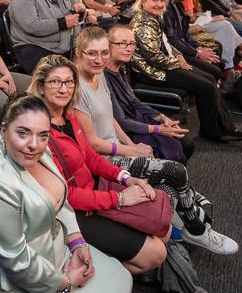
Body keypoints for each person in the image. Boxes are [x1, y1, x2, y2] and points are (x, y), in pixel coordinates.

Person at [0, 93, 132, 293]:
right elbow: (16, 260)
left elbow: (59, 196)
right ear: (3, 131)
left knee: (121, 278)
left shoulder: (38, 146)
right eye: (23, 133)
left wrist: (75, 239)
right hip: (8, 283)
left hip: (50, 250)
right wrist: (64, 282)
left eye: (43, 135)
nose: (34, 144)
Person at [69, 29, 238, 251]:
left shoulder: (99, 75)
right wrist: (131, 152)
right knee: (175, 171)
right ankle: (195, 228)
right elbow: (92, 143)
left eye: (103, 53)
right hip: (104, 160)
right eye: (92, 53)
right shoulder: (77, 89)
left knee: (167, 191)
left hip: (119, 149)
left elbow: (110, 119)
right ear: (79, 53)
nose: (99, 59)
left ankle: (181, 225)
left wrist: (132, 145)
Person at [28, 56, 168, 275]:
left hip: (94, 190)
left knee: (163, 228)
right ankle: (90, 275)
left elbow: (91, 157)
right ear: (41, 87)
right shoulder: (38, 133)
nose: (63, 89)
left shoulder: (68, 116)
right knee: (156, 252)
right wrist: (119, 199)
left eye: (69, 82)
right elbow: (64, 196)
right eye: (55, 82)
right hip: (73, 213)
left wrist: (125, 177)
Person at [130, 0, 242, 142]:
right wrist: (178, 62)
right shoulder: (143, 24)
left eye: (162, 0)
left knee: (208, 78)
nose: (159, 4)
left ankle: (224, 126)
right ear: (143, 1)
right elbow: (153, 58)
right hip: (151, 72)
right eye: (154, 0)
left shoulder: (152, 17)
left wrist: (179, 56)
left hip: (163, 64)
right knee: (206, 85)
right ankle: (213, 130)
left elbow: (167, 44)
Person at [105, 25, 194, 162]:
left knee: (186, 143)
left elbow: (134, 101)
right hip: (126, 130)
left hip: (136, 118)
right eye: (122, 43)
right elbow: (121, 122)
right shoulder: (103, 76)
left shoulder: (120, 68)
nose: (129, 48)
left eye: (132, 44)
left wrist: (162, 117)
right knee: (178, 151)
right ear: (108, 45)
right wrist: (159, 129)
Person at [8, 0, 93, 73]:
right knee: (57, 78)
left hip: (64, 45)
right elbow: (32, 25)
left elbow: (78, 6)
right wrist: (63, 23)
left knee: (91, 64)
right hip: (34, 46)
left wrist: (81, 8)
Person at [162, 0, 225, 80]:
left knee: (217, 58)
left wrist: (198, 48)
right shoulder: (163, 1)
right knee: (214, 70)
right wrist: (197, 52)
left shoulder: (176, 0)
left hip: (179, 46)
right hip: (171, 52)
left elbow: (183, 32)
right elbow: (172, 39)